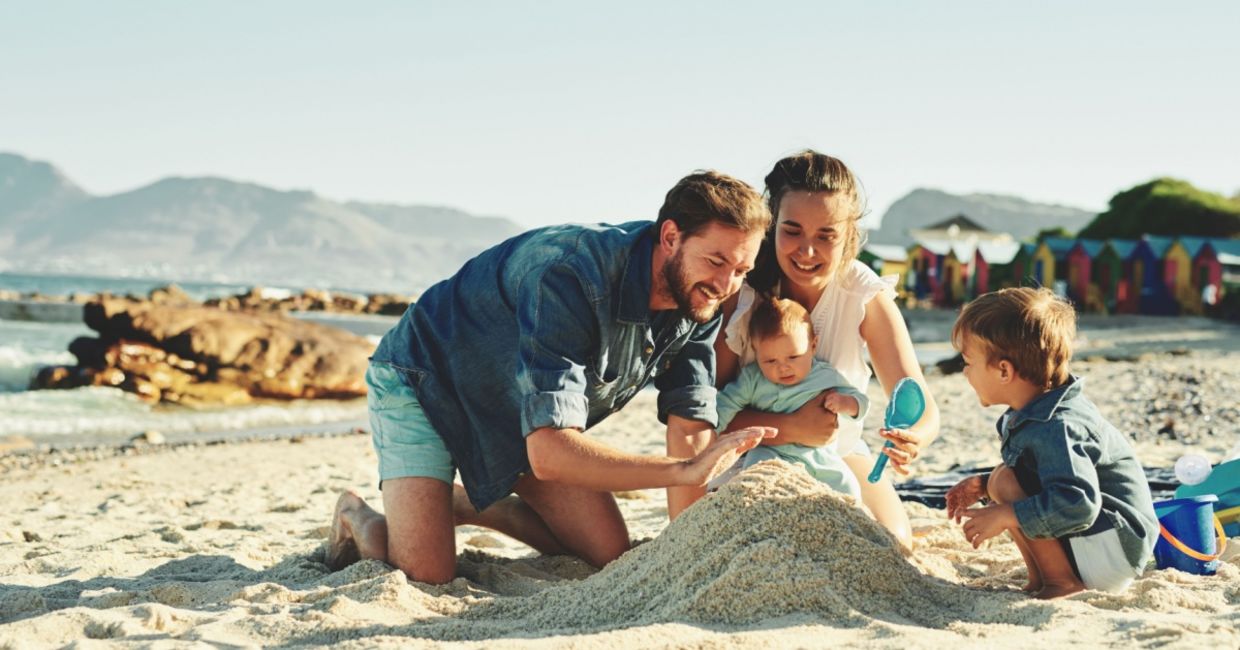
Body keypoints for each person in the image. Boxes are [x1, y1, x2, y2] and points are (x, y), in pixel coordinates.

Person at [327, 170, 777, 584]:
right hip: (426, 378)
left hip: (517, 408)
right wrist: (679, 471)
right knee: (426, 575)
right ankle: (360, 517)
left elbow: (690, 425)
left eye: (741, 270)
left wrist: (687, 552)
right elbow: (551, 454)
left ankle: (468, 502)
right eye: (717, 261)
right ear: (671, 236)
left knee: (608, 553)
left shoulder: (701, 300)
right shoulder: (570, 275)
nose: (726, 284)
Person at [709, 150, 941, 548]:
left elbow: (920, 403)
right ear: (771, 225)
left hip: (839, 452)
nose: (807, 251)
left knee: (892, 544)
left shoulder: (862, 294)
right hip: (754, 454)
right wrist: (793, 428)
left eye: (826, 235)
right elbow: (709, 413)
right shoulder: (744, 296)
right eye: (792, 231)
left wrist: (913, 437)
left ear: (849, 234)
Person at [945, 287, 1158, 599]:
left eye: (968, 361)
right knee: (1001, 479)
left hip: (1113, 549)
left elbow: (1078, 503)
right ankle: (1043, 578)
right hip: (1101, 543)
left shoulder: (1059, 425)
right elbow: (1038, 475)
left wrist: (1007, 514)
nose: (964, 372)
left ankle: (1061, 582)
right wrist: (982, 485)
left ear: (1004, 370)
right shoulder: (1037, 411)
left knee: (1005, 483)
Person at [713, 295, 868, 499]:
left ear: (813, 346)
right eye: (769, 361)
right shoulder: (753, 378)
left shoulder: (825, 375)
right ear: (756, 352)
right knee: (755, 478)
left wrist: (846, 403)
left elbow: (861, 401)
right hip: (770, 452)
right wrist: (709, 434)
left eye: (793, 357)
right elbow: (727, 402)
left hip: (818, 456)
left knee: (848, 487)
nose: (783, 367)